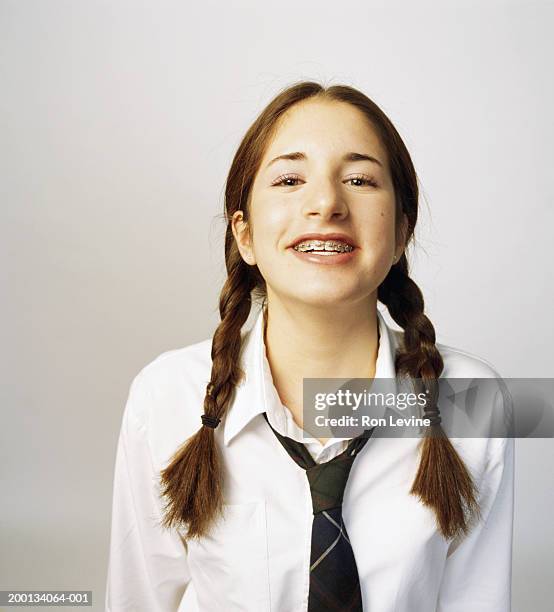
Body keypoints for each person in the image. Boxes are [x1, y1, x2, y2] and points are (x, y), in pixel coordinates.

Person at [105, 81, 514, 611]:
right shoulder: (164, 396)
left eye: (361, 179)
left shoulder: (474, 399)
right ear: (245, 234)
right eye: (290, 179)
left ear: (401, 233)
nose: (326, 203)